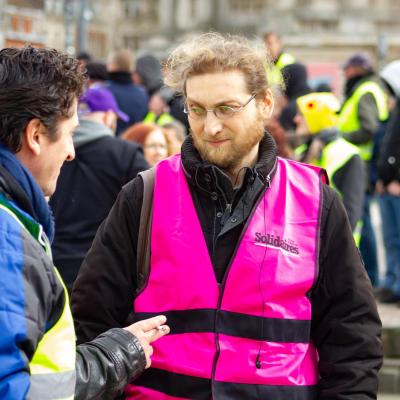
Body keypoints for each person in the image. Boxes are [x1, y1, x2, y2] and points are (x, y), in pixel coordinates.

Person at [72, 33, 382, 399]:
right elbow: (90, 323)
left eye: (226, 108)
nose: (210, 127)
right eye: (197, 110)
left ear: (265, 103)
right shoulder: (144, 195)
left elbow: (353, 334)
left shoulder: (317, 201)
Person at [0, 46, 169, 399]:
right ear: (35, 135)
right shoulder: (7, 240)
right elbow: (17, 390)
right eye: (69, 133)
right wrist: (116, 355)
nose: (71, 151)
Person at [49, 86, 149, 291]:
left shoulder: (49, 151)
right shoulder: (125, 155)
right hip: (104, 272)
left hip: (52, 266)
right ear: (108, 117)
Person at [338, 52, 389, 285]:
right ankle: (371, 278)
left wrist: (341, 136)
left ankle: (370, 278)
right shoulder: (366, 88)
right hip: (364, 163)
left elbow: (369, 129)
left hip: (362, 164)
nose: (345, 73)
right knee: (364, 218)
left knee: (363, 221)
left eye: (347, 68)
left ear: (357, 69)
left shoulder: (365, 91)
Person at [294, 92, 365, 244]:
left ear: (317, 118)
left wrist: (333, 247)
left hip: (336, 251)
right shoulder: (302, 153)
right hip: (305, 246)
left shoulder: (348, 154)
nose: (296, 119)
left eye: (301, 115)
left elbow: (351, 212)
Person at [375, 60, 400, 303]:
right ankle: (392, 282)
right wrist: (382, 179)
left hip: (396, 188)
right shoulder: (393, 114)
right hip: (387, 186)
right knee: (391, 240)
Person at [107, 48, 149, 135]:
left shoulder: (103, 91)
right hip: (135, 142)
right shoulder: (142, 93)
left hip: (109, 143)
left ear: (112, 65)